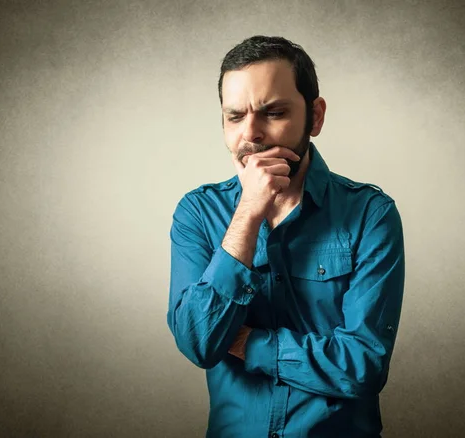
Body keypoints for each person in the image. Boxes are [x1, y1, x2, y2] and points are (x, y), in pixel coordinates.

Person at [167, 35, 405, 438]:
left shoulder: (370, 214)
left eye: (273, 112)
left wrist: (247, 343)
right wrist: (249, 211)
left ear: (315, 117)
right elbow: (199, 343)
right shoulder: (198, 213)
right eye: (235, 116)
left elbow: (363, 366)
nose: (252, 133)